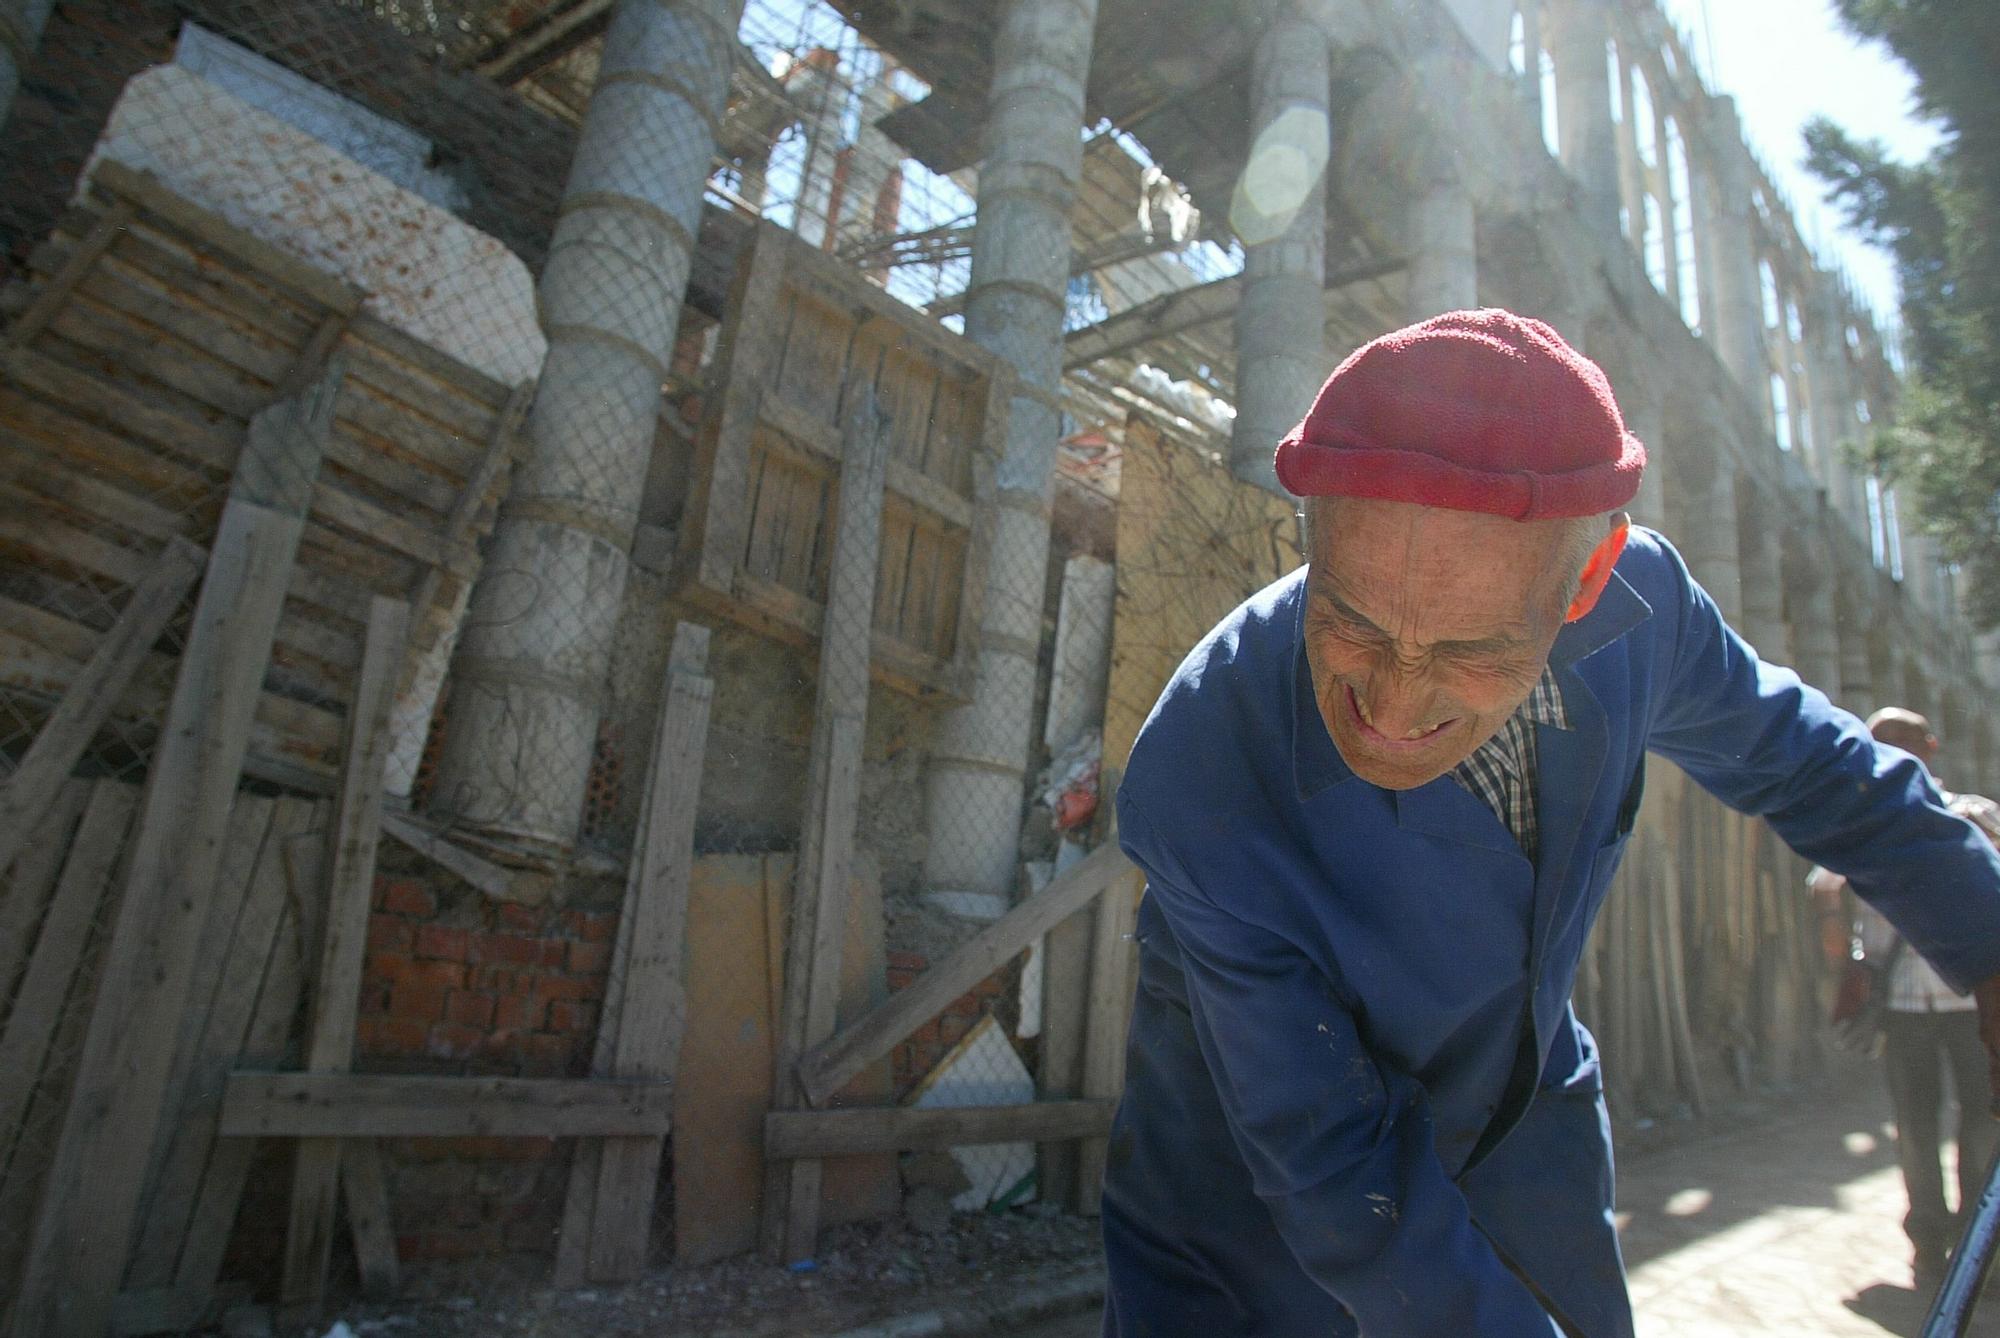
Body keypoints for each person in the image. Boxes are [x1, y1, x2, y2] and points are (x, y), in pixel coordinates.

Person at [1101, 310, 2000, 1337]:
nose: (1389, 712)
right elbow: (1335, 1172)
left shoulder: (1642, 611)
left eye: (1465, 652)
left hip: (1529, 1149)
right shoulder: (1200, 769)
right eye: (1347, 623)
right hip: (1244, 1229)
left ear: (1586, 580)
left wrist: (1987, 938)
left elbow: (1810, 767)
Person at [1809, 707, 2000, 1286]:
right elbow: (1830, 916)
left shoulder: (1975, 814)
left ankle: (1978, 1240)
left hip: (1972, 1003)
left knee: (1982, 1119)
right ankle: (1927, 1239)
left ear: (1930, 747)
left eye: (1902, 743)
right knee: (1915, 1124)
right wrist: (1839, 937)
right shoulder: (1860, 823)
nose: (1890, 752)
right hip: (1904, 1003)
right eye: (1878, 743)